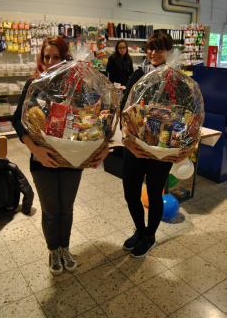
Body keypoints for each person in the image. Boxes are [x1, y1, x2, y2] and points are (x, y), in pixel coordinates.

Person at [13, 36, 109, 275]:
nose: (50, 61)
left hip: (72, 157)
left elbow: (95, 119)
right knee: (50, 210)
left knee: (66, 208)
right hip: (42, 159)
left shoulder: (78, 87)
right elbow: (18, 120)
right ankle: (52, 251)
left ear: (66, 58)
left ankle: (65, 248)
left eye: (56, 56)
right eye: (46, 56)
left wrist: (102, 147)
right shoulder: (33, 84)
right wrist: (36, 150)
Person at [120, 32, 197, 258]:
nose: (153, 53)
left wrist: (187, 145)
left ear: (169, 51)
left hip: (162, 147)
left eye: (159, 48)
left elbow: (190, 115)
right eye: (150, 48)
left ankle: (150, 237)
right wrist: (126, 139)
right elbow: (125, 110)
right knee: (131, 193)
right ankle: (140, 230)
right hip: (135, 145)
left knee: (154, 194)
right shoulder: (138, 76)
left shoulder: (179, 82)